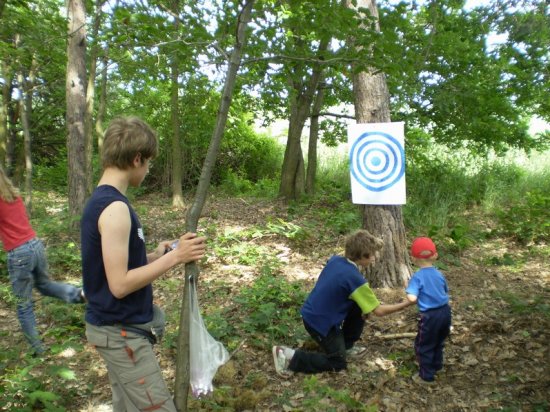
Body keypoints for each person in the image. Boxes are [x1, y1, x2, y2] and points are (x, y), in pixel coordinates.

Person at [81, 116, 206, 412]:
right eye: (148, 162)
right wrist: (177, 258)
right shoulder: (115, 209)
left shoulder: (105, 201)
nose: (149, 170)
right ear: (136, 159)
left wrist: (159, 255)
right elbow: (120, 284)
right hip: (121, 334)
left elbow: (116, 266)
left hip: (117, 331)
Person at [272, 229, 412, 376]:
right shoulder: (355, 279)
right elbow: (379, 311)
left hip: (311, 313)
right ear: (361, 255)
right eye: (372, 254)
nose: (374, 258)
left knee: (360, 304)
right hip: (319, 323)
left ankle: (347, 346)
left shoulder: (336, 260)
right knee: (337, 362)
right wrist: (406, 303)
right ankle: (288, 356)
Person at [0, 165, 84, 355]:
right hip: (35, 245)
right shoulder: (14, 195)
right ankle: (79, 294)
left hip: (19, 253)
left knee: (23, 304)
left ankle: (37, 351)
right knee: (44, 285)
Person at [405, 237, 451, 384]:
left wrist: (409, 291)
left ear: (413, 258)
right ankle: (437, 366)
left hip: (429, 316)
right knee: (438, 341)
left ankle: (426, 376)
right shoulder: (439, 274)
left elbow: (412, 298)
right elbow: (444, 291)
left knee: (424, 344)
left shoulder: (417, 277)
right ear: (435, 255)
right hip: (445, 312)